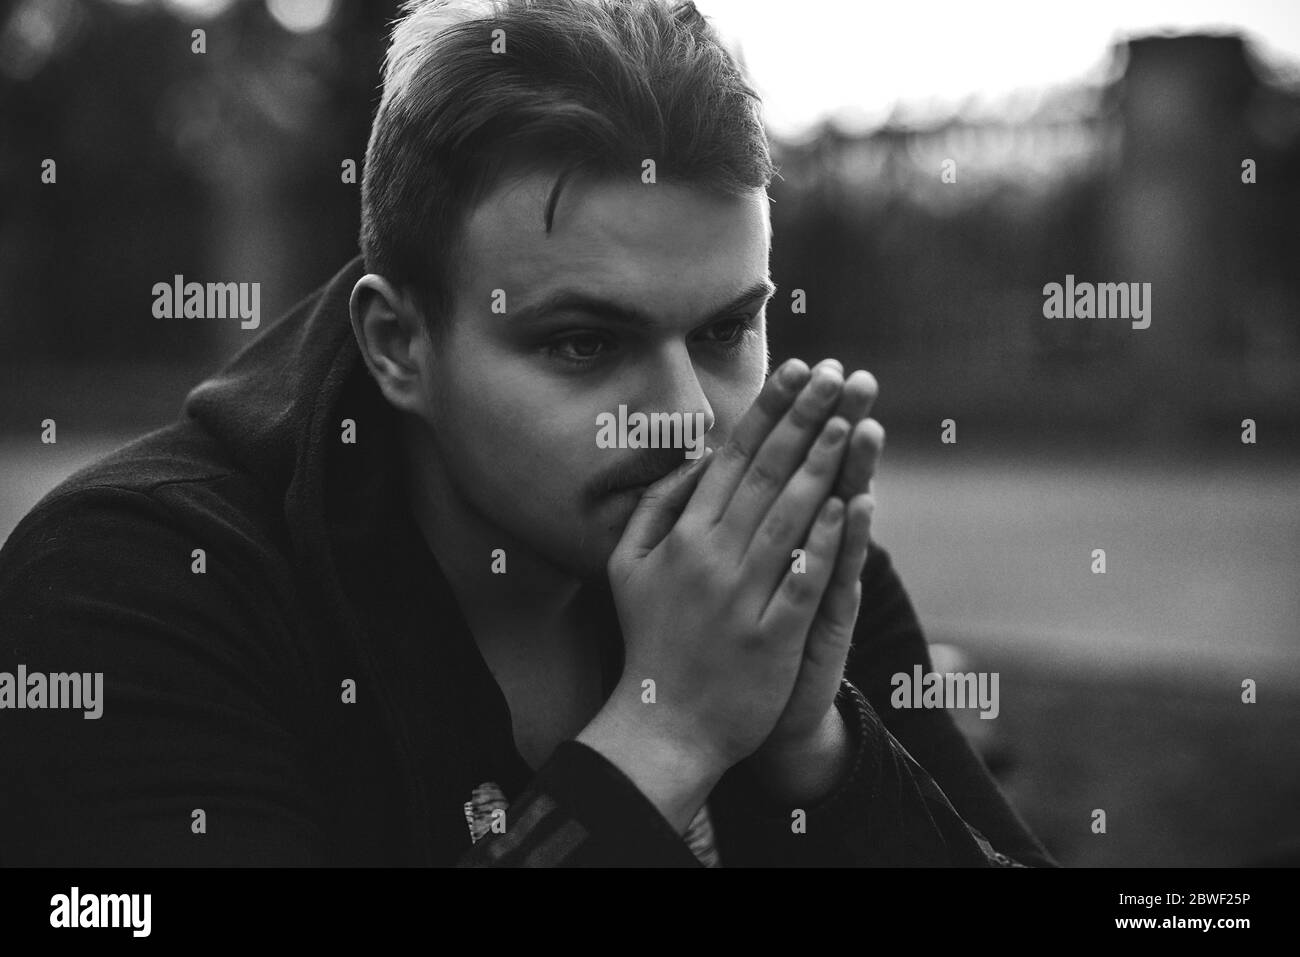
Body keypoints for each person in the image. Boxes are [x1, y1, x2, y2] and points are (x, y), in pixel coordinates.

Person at [0, 0, 1055, 867]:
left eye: (729, 327)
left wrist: (815, 755)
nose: (688, 420)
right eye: (585, 345)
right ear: (398, 345)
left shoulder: (771, 565)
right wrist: (669, 734)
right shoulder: (132, 592)